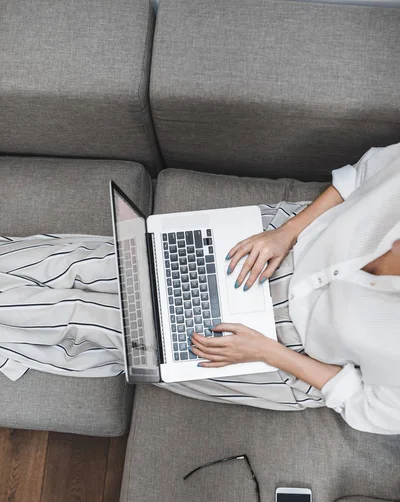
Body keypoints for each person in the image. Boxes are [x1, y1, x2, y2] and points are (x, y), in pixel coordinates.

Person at [1, 144, 399, 435]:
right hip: (277, 250)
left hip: (288, 350)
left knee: (88, 317)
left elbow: (365, 405)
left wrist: (265, 352)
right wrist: (286, 233)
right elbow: (364, 174)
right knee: (87, 263)